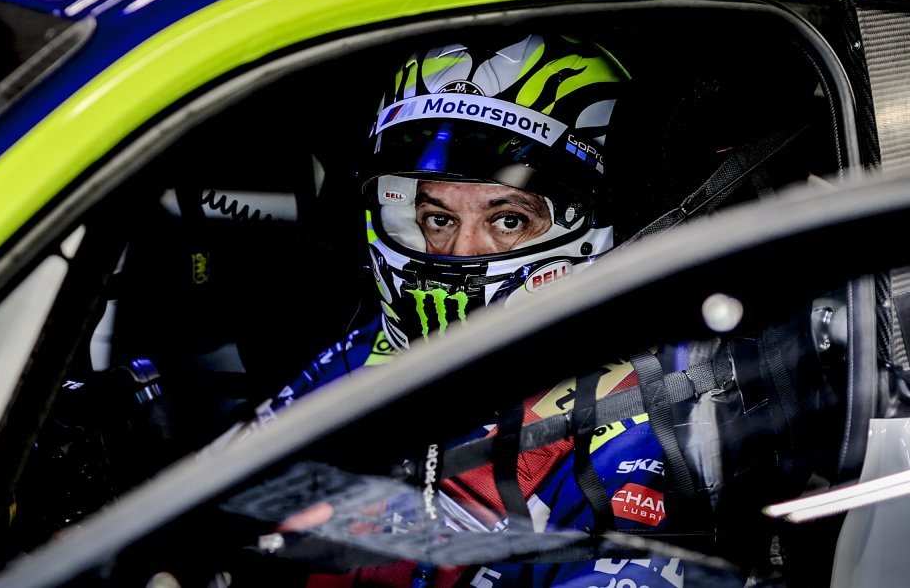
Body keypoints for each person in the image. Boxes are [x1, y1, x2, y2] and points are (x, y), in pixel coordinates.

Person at [242, 32, 848, 587]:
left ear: (594, 224)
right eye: (437, 218)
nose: (459, 253)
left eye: (508, 220)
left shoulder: (636, 427)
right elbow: (225, 503)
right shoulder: (368, 349)